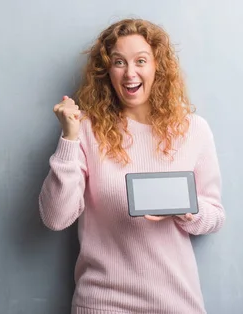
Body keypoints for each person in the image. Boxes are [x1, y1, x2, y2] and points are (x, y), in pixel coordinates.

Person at [38, 18, 225, 314]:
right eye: (119, 62)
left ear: (157, 66)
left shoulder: (194, 130)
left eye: (141, 60)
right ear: (106, 71)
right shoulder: (86, 129)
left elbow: (215, 216)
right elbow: (55, 217)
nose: (130, 73)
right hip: (102, 303)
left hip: (176, 303)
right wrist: (69, 138)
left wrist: (188, 209)